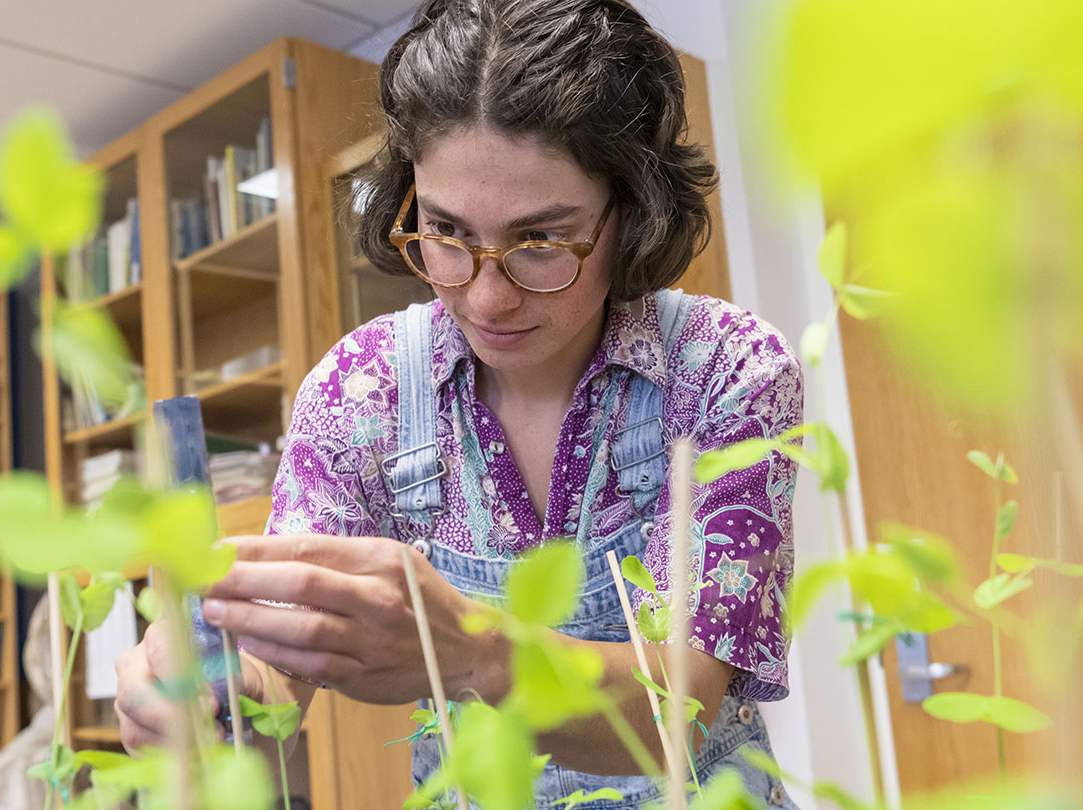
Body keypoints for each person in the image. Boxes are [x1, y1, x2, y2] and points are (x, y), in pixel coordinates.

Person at [116, 0, 801, 806]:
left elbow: (680, 712)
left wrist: (475, 652)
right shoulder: (361, 392)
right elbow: (278, 671)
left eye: (540, 241)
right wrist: (215, 700)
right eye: (445, 231)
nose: (484, 297)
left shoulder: (726, 370)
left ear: (635, 214)